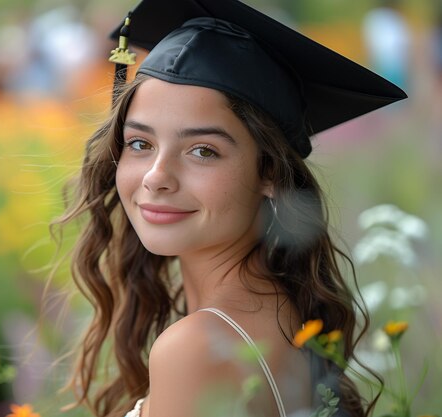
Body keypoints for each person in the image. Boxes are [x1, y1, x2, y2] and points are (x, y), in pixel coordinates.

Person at [53, 0, 406, 416]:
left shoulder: (198, 346)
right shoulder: (277, 311)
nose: (155, 176)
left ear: (270, 172)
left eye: (203, 150)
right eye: (140, 144)